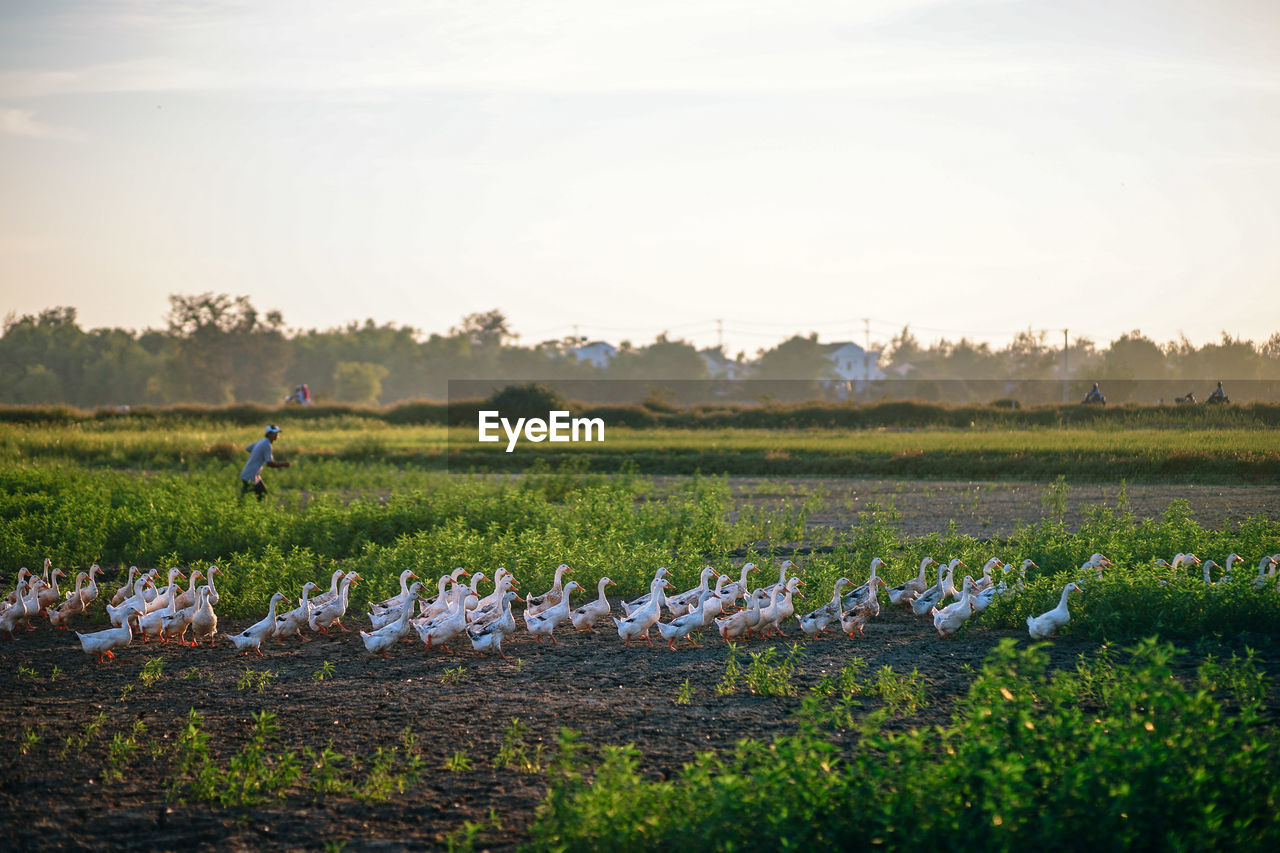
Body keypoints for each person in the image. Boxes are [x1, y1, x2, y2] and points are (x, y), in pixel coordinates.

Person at [239, 425, 290, 502]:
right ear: (269, 434)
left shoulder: (262, 441)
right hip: (251, 475)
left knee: (261, 495)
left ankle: (251, 509)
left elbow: (248, 448)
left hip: (252, 475)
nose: (277, 435)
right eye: (274, 433)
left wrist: (257, 454)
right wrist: (284, 464)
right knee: (256, 496)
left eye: (277, 433)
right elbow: (269, 464)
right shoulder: (267, 445)